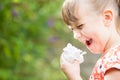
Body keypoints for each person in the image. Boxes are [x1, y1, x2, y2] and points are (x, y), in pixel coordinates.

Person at [60, 0, 120, 80]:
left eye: (80, 26)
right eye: (72, 29)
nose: (75, 36)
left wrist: (74, 76)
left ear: (107, 18)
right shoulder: (110, 57)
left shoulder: (114, 61)